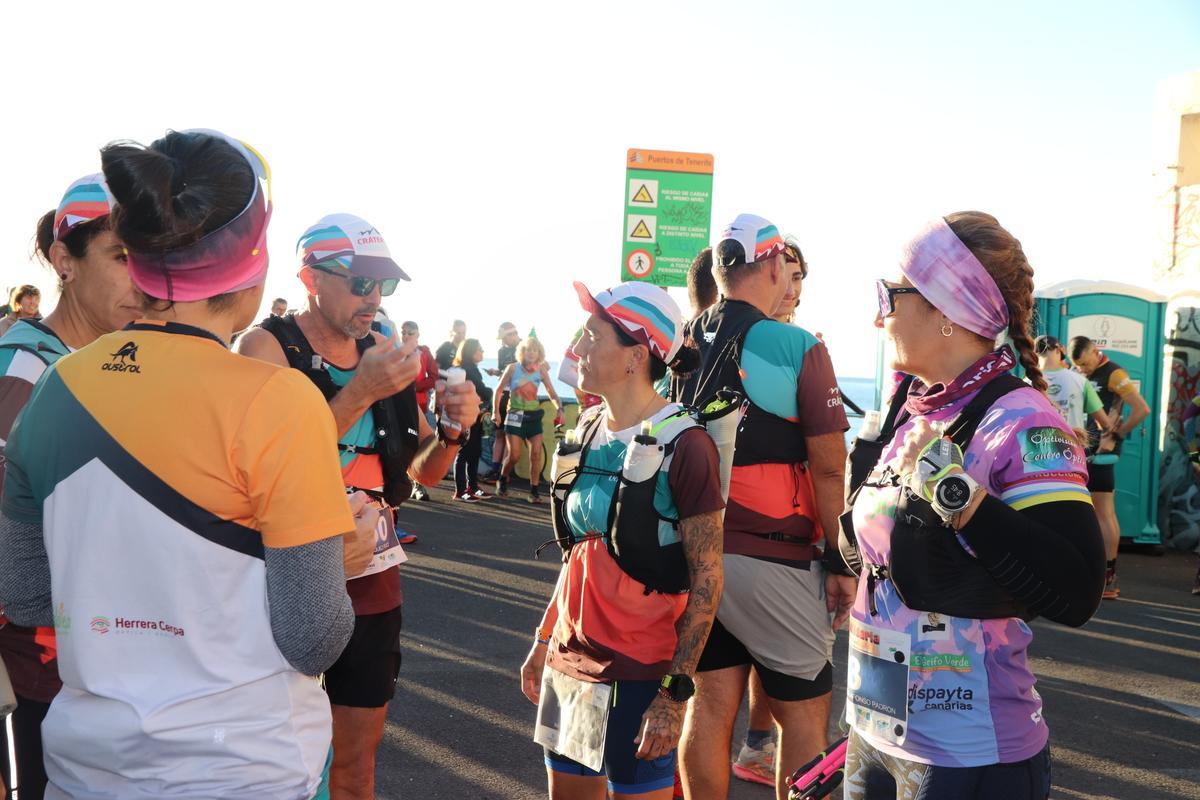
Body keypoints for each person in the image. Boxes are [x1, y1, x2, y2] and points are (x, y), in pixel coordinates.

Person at [0, 128, 381, 799]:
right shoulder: (277, 399)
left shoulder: (56, 388)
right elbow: (313, 637)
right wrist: (341, 560)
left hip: (88, 771)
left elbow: (27, 594)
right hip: (242, 770)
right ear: (253, 264)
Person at [840, 212, 1104, 799]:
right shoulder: (912, 409)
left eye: (893, 294)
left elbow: (1078, 587)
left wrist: (956, 494)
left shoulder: (1023, 420)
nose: (879, 314)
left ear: (945, 312)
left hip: (968, 748)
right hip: (876, 725)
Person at [236, 212, 480, 800]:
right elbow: (264, 462)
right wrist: (360, 391)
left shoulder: (383, 351)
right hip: (280, 571)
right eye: (360, 283)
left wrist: (451, 431)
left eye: (384, 285)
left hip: (370, 575)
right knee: (266, 754)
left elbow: (424, 474)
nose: (374, 298)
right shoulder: (264, 347)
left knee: (356, 762)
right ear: (310, 278)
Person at [519, 281, 724, 800]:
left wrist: (674, 695)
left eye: (591, 336)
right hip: (570, 664)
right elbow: (580, 554)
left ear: (636, 355)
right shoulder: (586, 427)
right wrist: (544, 641)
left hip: (640, 675)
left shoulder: (687, 444)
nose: (577, 348)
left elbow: (708, 576)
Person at [676, 214, 850, 800]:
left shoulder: (685, 338)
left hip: (694, 550)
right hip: (773, 555)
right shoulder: (798, 344)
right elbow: (829, 466)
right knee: (803, 716)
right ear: (774, 264)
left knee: (709, 705)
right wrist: (841, 559)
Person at [0, 172, 139, 800]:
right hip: (46, 656)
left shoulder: (121, 357)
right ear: (65, 261)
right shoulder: (26, 363)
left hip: (112, 648)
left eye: (152, 259)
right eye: (121, 256)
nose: (143, 279)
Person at [728, 235, 812, 788]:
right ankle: (756, 747)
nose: (794, 286)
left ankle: (757, 744)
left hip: (777, 529)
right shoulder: (771, 344)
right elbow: (827, 455)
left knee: (760, 664)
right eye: (788, 272)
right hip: (761, 533)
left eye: (802, 277)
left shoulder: (801, 344)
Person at [1069, 334, 1151, 599]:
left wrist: (1118, 434)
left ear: (1095, 351)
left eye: (1085, 364)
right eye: (1077, 366)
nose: (1082, 370)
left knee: (1104, 514)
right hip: (1078, 452)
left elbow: (1141, 409)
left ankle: (1108, 576)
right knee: (1085, 513)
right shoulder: (1075, 372)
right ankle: (1089, 571)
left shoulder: (1115, 374)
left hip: (1102, 454)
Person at [494, 336, 563, 503]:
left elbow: (551, 392)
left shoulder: (541, 370)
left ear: (539, 353)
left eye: (535, 350)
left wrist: (559, 408)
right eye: (528, 349)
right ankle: (502, 479)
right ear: (522, 352)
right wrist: (496, 412)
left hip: (533, 417)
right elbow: (498, 390)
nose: (531, 353)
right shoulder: (512, 368)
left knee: (536, 454)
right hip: (515, 415)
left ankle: (534, 491)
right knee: (514, 455)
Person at [1035, 335, 1109, 437]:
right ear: (1059, 350)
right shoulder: (1080, 381)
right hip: (1072, 449)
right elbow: (1105, 422)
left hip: (1039, 449)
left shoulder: (1026, 383)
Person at [403, 320, 440, 501]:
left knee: (420, 445)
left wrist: (416, 386)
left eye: (410, 333)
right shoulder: (392, 351)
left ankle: (418, 485)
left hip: (419, 405)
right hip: (398, 404)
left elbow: (433, 377)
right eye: (404, 332)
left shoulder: (425, 352)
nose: (406, 335)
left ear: (417, 335)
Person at [452, 337, 492, 501]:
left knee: (474, 451)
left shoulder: (472, 369)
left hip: (474, 415)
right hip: (466, 416)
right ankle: (461, 490)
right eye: (480, 349)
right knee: (464, 452)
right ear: (471, 351)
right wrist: (488, 392)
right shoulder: (466, 369)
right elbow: (482, 391)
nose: (482, 351)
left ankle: (472, 486)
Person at [484, 321, 522, 481]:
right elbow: (504, 373)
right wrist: (496, 372)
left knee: (510, 435)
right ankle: (494, 470)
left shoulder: (525, 348)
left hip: (517, 397)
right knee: (499, 433)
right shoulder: (502, 351)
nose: (503, 341)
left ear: (513, 334)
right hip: (502, 394)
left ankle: (504, 473)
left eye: (504, 338)